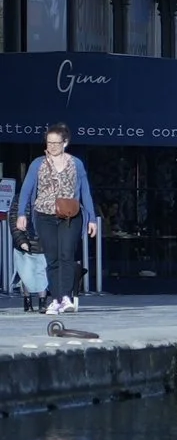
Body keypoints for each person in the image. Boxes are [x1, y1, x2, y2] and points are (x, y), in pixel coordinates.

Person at [13, 124, 97, 316]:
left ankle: (65, 298)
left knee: (66, 254)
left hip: (70, 215)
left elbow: (85, 191)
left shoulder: (76, 164)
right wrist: (21, 215)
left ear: (65, 143)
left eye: (56, 143)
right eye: (49, 142)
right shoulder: (38, 164)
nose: (52, 146)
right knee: (52, 258)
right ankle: (56, 299)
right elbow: (26, 190)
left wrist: (92, 218)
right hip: (44, 215)